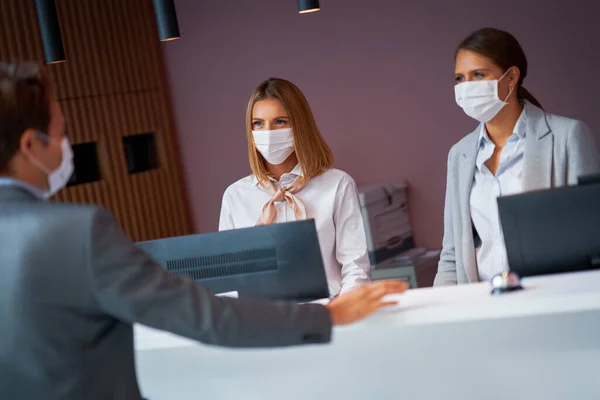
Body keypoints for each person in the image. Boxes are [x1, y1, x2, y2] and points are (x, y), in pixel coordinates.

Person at [0, 62, 408, 400]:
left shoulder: (337, 184)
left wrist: (337, 308)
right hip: (274, 331)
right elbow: (207, 311)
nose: (66, 146)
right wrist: (324, 318)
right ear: (31, 146)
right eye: (60, 134)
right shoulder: (79, 231)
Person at [434, 27, 600, 286]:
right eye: (459, 79)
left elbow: (593, 241)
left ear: (511, 77)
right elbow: (451, 256)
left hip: (552, 298)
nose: (466, 87)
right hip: (482, 304)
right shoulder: (460, 155)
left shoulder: (568, 136)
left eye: (478, 74)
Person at [219, 78, 370, 296]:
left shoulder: (337, 184)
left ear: (299, 125)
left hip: (329, 312)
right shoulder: (235, 196)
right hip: (263, 319)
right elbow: (228, 277)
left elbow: (356, 267)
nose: (268, 132)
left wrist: (341, 312)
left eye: (280, 122)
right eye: (258, 123)